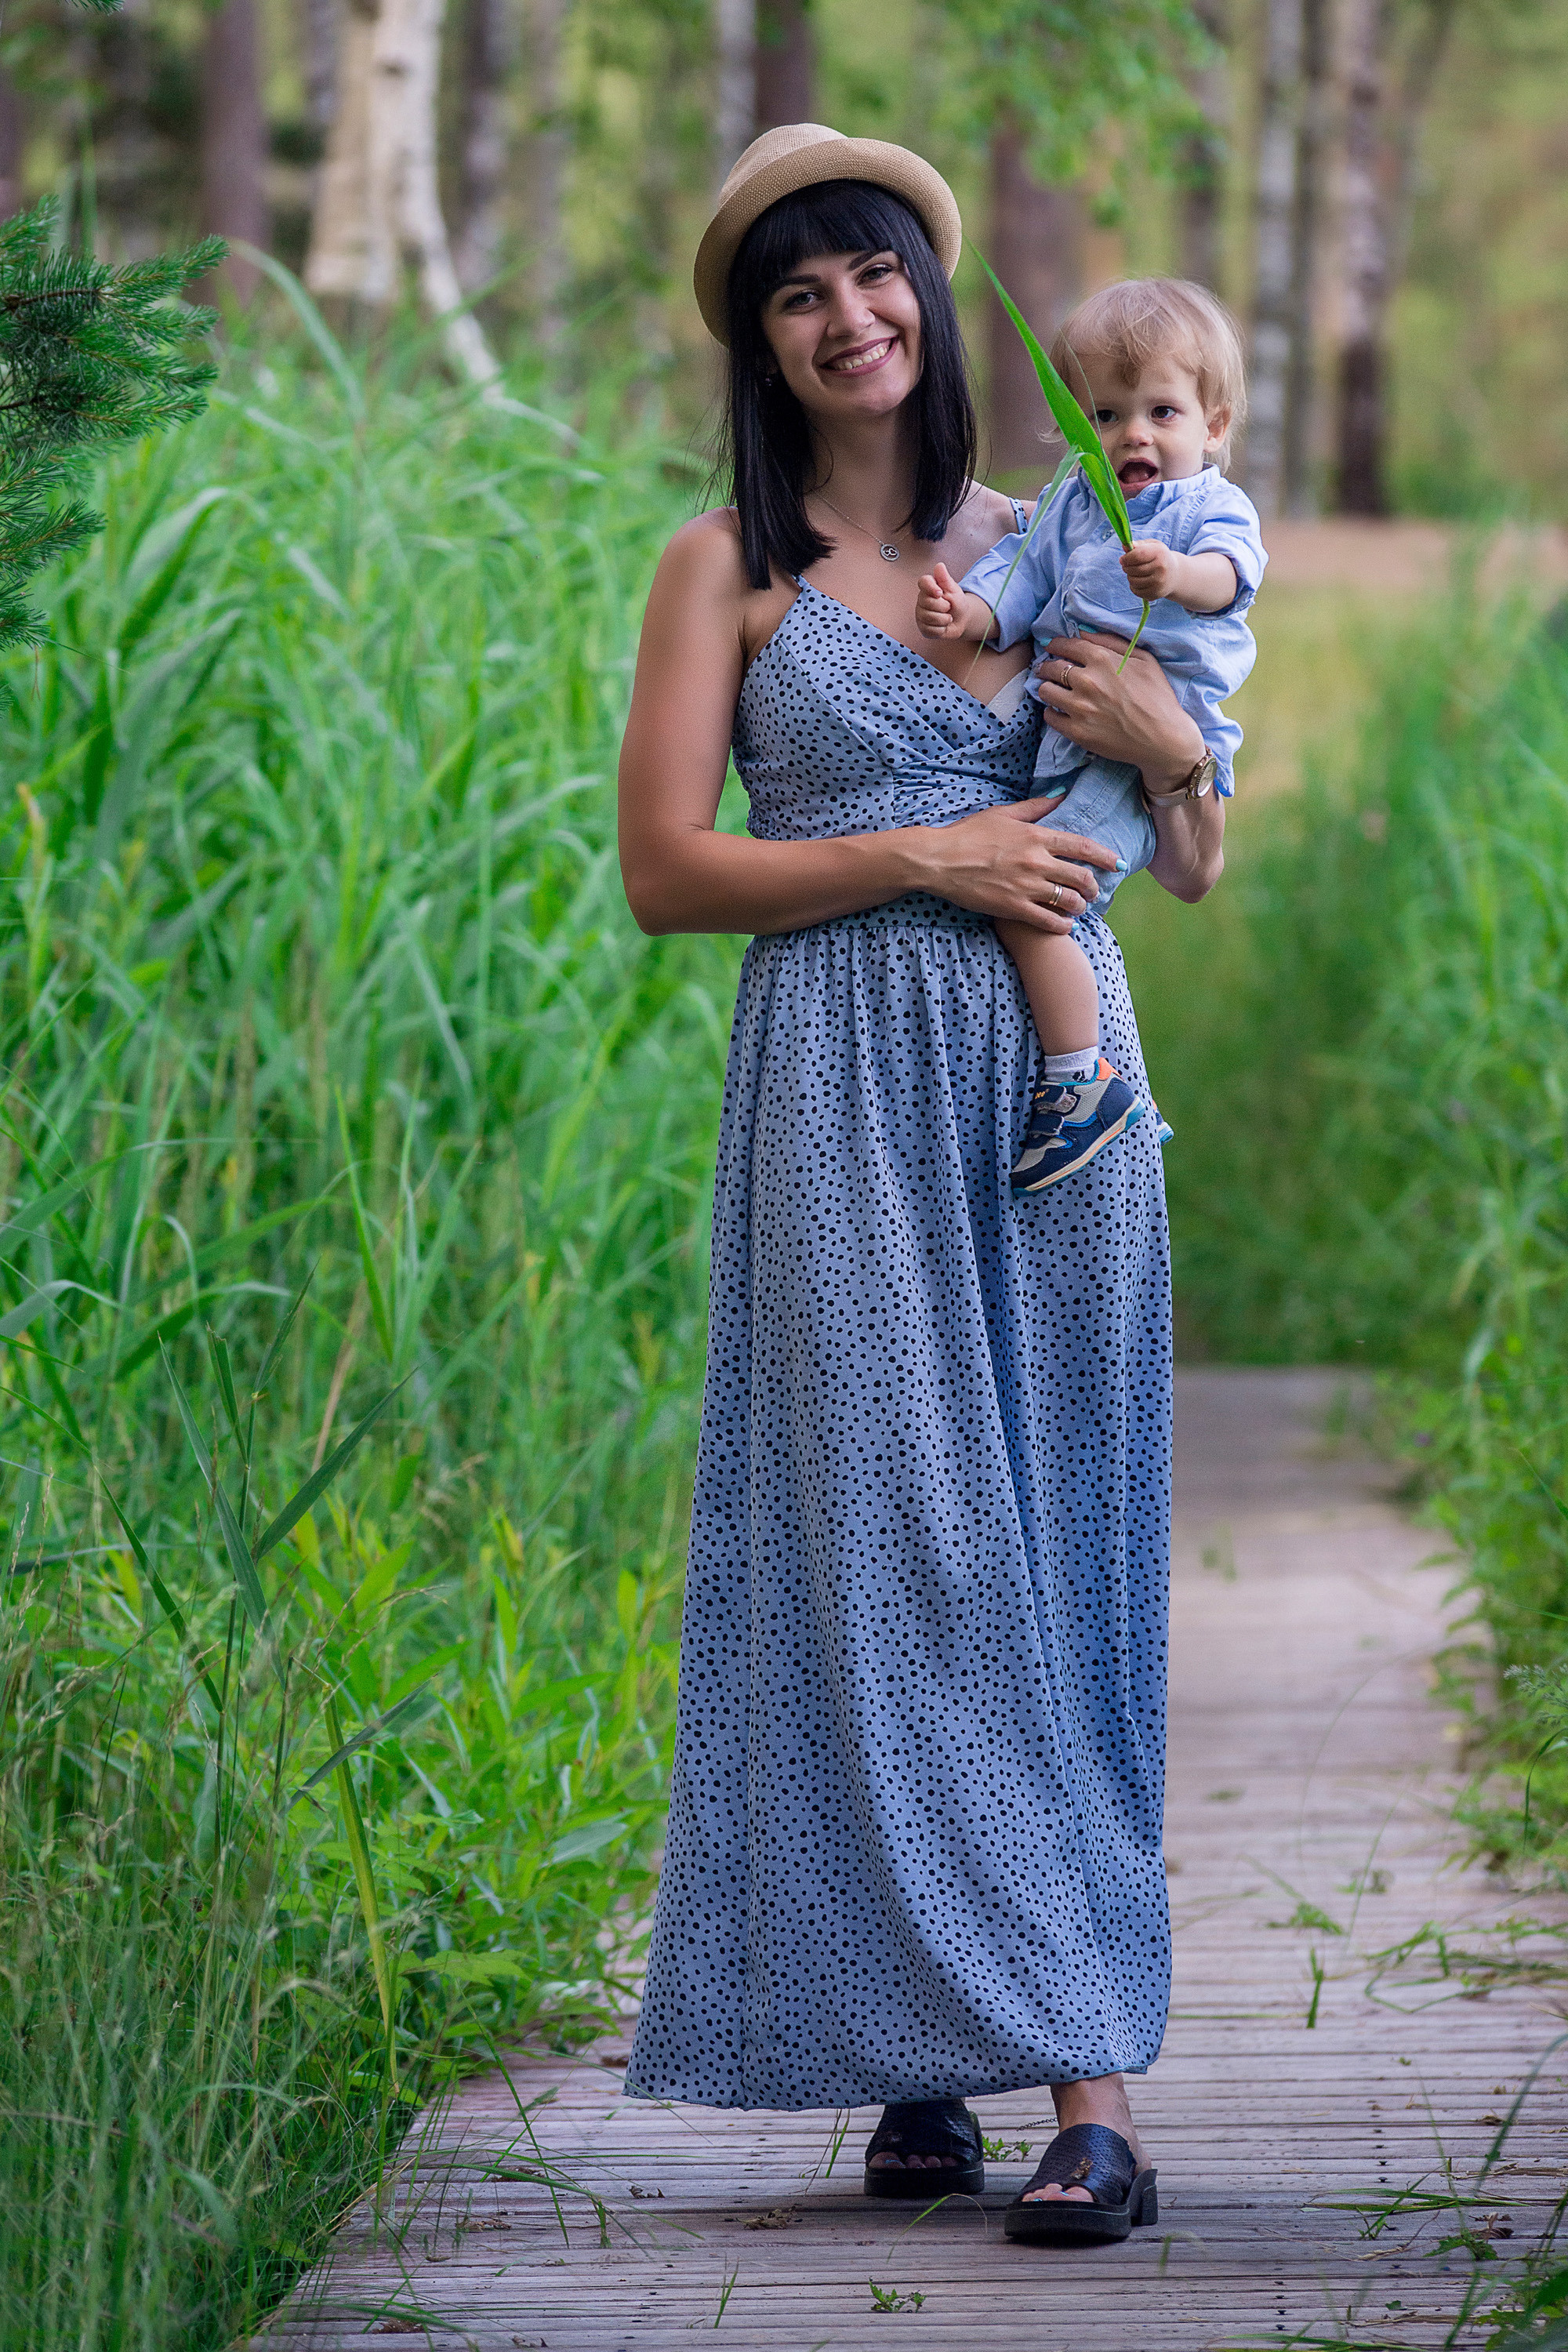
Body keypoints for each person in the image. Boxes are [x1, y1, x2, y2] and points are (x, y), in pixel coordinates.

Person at [616, 122, 1223, 2247]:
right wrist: (926, 852)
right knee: (877, 1546)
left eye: (875, 276)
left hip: (1053, 1096)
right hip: (835, 1092)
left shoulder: (1065, 536)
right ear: (762, 346)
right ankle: (910, 2054)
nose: (848, 318)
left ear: (929, 298)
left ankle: (1093, 2095)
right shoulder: (728, 574)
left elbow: (1199, 843)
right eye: (799, 294)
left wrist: (1162, 739)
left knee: (1045, 1536)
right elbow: (667, 874)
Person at [915, 278, 1265, 1192]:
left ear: (1213, 425)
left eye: (1160, 410)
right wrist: (972, 619)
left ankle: (1084, 1079)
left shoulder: (1205, 509)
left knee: (1030, 896)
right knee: (1032, 890)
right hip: (1068, 744)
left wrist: (1173, 574)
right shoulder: (1073, 497)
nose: (1131, 437)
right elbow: (1018, 576)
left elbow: (1232, 578)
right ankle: (1082, 1076)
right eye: (1105, 415)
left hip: (1142, 749)